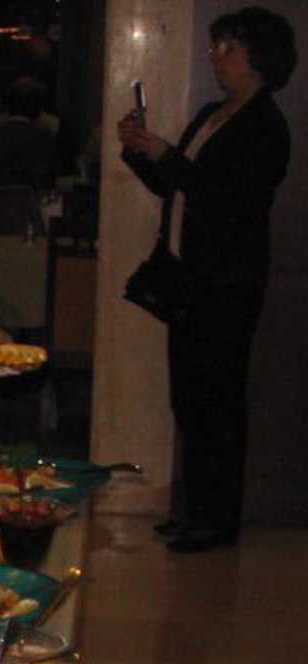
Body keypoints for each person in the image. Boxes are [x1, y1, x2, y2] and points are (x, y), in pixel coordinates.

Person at [117, 6, 295, 553]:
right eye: (216, 48)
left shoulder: (265, 126)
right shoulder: (214, 114)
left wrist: (166, 155)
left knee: (217, 401)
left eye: (228, 50)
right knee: (190, 399)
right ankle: (193, 510)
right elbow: (176, 185)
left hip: (227, 282)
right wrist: (139, 150)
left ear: (258, 58)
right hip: (189, 278)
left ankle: (216, 521)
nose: (216, 58)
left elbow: (225, 199)